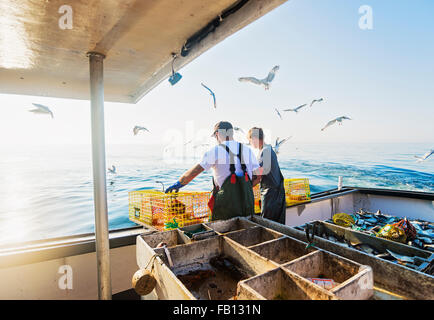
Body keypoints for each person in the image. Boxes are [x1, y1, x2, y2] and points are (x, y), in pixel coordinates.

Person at [165, 121, 261, 220]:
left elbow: (195, 171)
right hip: (247, 202)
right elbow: (258, 177)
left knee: (224, 230)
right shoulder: (247, 150)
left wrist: (179, 183)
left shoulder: (215, 151)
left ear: (217, 134)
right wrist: (244, 188)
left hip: (227, 205)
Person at [247, 127, 286, 224]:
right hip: (277, 194)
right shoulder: (268, 149)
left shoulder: (265, 151)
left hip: (272, 196)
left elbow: (258, 175)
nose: (250, 143)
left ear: (254, 138)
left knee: (268, 226)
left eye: (249, 140)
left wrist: (245, 188)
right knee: (278, 226)